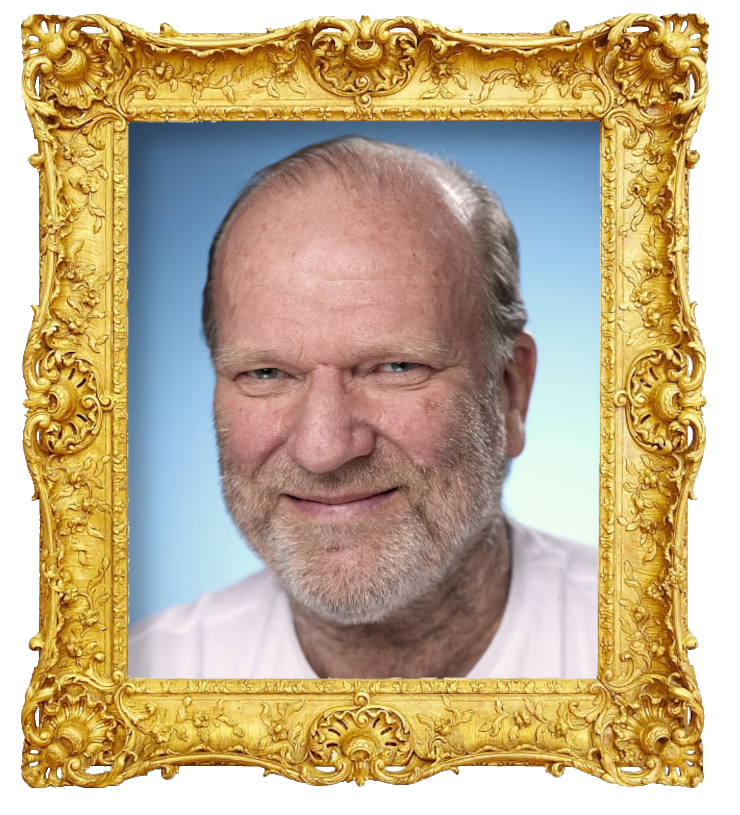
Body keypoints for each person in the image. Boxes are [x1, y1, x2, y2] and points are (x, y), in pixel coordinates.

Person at [129, 136, 597, 680]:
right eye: (266, 373)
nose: (323, 450)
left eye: (396, 367)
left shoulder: (653, 659)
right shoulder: (135, 690)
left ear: (511, 390)